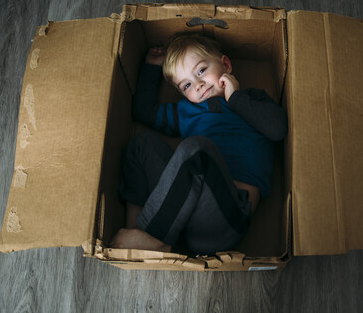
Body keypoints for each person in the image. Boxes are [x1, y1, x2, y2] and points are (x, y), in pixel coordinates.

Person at [110, 34, 287, 255]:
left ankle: (149, 236)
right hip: (181, 214)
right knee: (141, 145)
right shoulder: (186, 112)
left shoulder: (252, 100)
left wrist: (236, 98)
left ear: (225, 64)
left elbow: (278, 129)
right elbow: (143, 111)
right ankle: (139, 234)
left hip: (226, 217)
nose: (199, 85)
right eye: (186, 85)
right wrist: (152, 66)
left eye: (201, 71)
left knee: (197, 149)